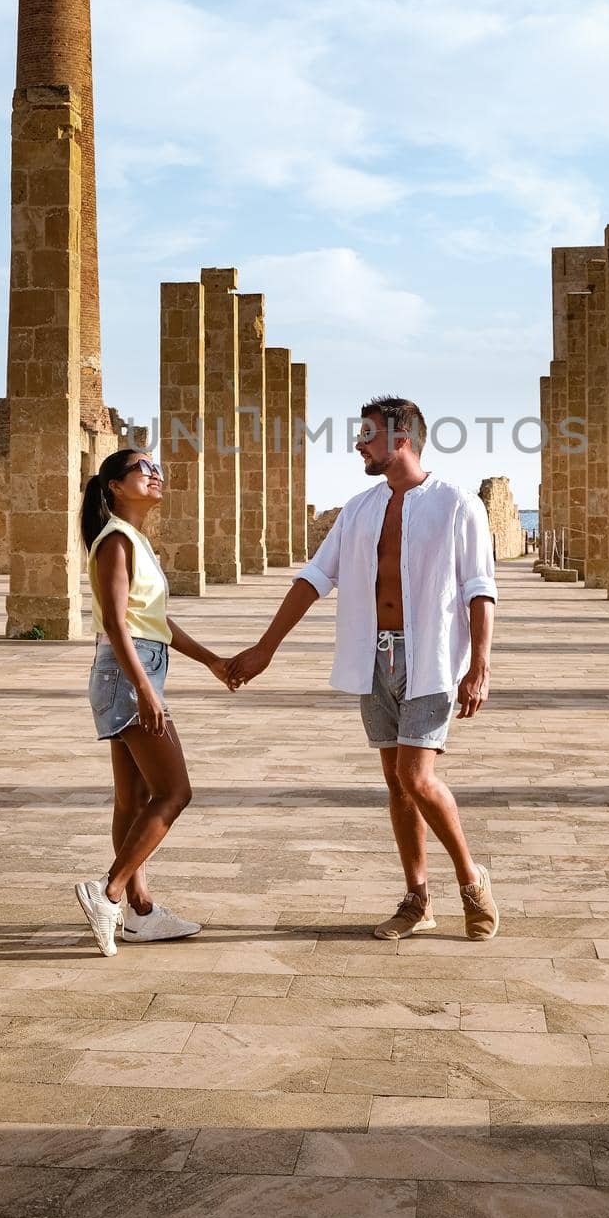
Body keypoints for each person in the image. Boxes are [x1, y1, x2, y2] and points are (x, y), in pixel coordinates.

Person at [229, 395, 500, 942]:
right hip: (373, 656)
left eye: (368, 434)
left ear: (403, 440)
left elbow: (479, 589)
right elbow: (313, 578)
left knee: (415, 776)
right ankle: (417, 897)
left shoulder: (457, 505)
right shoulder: (358, 508)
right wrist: (265, 649)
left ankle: (472, 882)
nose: (359, 444)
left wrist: (481, 666)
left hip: (433, 660)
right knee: (395, 784)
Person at [75, 447, 232, 956]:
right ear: (116, 486)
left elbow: (156, 624)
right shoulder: (116, 542)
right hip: (129, 673)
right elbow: (118, 625)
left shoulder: (135, 541)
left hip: (137, 666)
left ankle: (140, 912)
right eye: (143, 468)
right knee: (175, 792)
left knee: (132, 800)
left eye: (156, 466)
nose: (155, 473)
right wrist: (145, 688)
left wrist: (211, 660)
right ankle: (110, 891)